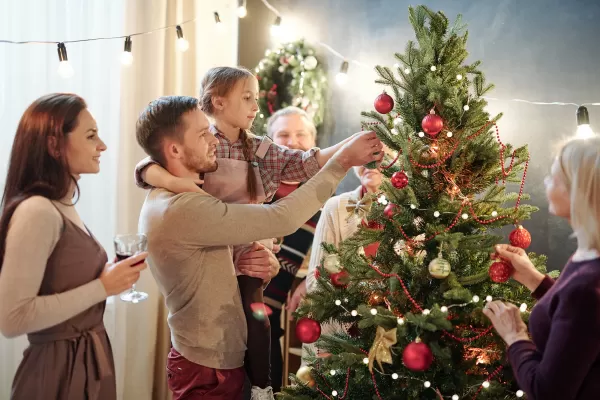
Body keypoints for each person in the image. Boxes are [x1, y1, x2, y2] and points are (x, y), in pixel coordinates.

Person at [135, 95, 382, 400]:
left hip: (230, 355)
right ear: (174, 149)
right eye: (203, 134)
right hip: (211, 366)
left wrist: (259, 262)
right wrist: (342, 161)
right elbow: (281, 217)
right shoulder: (187, 205)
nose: (214, 139)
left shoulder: (183, 192)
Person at [0, 93, 148, 400]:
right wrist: (102, 287)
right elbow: (11, 318)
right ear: (54, 145)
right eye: (91, 136)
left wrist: (109, 279)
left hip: (85, 362)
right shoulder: (37, 211)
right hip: (57, 374)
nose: (102, 146)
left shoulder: (60, 205)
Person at [483, 136, 600, 400]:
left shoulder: (588, 286)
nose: (546, 181)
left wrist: (515, 337)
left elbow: (548, 392)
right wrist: (535, 280)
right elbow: (577, 319)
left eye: (553, 176)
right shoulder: (589, 254)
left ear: (579, 191)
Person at [260, 106, 323, 392]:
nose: (292, 142)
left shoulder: (324, 195)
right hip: (247, 310)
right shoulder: (254, 188)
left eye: (301, 135)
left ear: (313, 142)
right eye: (283, 134)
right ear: (269, 141)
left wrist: (309, 280)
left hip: (294, 316)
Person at [301, 162, 386, 363]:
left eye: (382, 154)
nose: (371, 163)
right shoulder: (336, 207)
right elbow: (316, 279)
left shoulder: (413, 211)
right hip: (342, 332)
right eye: (365, 156)